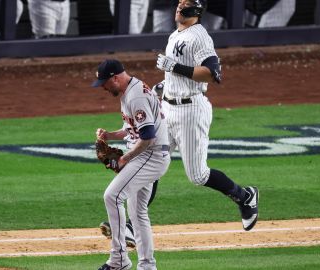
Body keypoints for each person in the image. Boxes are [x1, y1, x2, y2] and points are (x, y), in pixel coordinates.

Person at [155, 0, 259, 231]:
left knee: (198, 176)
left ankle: (244, 197)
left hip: (190, 111)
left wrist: (174, 68)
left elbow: (212, 73)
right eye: (179, 3)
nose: (179, 7)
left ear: (194, 10)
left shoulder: (199, 37)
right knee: (152, 163)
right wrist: (163, 86)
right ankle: (133, 223)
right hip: (168, 108)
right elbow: (177, 74)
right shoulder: (176, 35)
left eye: (184, 4)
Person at [92, 59, 171, 270]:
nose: (103, 88)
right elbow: (133, 129)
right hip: (149, 153)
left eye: (105, 83)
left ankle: (119, 261)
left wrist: (124, 158)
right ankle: (147, 266)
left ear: (115, 78)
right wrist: (111, 135)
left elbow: (147, 137)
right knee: (137, 213)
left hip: (151, 155)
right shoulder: (130, 91)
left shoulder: (136, 96)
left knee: (112, 196)